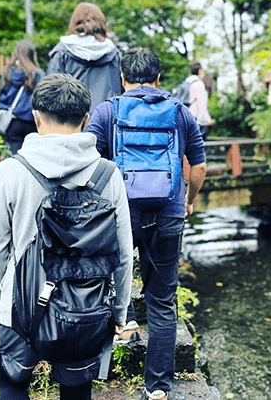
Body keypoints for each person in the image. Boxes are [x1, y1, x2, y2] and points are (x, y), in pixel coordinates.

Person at [0, 74, 133, 400]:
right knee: (76, 394)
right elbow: (121, 254)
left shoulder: (10, 171)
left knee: (13, 387)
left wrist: (5, 298)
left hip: (18, 308)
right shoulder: (108, 174)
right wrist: (119, 313)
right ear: (87, 120)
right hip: (85, 309)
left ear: (36, 117)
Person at [87, 48, 206, 400]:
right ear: (158, 79)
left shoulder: (109, 110)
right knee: (164, 299)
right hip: (168, 213)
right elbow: (198, 168)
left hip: (120, 213)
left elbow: (88, 162)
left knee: (107, 284)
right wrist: (189, 199)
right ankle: (158, 388)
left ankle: (96, 370)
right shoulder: (180, 113)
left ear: (123, 78)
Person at [47, 2, 122, 116]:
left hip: (71, 122)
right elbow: (122, 88)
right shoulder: (113, 52)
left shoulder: (62, 51)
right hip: (107, 120)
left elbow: (50, 92)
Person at [0, 40, 44, 154]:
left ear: (16, 53)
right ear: (32, 54)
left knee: (15, 158)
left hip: (13, 122)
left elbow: (1, 98)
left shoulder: (7, 72)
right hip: (33, 122)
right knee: (32, 158)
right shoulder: (38, 74)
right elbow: (43, 99)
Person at [185, 61, 214, 139]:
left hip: (185, 119)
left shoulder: (186, 83)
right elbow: (202, 105)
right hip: (195, 121)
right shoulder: (199, 84)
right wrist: (208, 119)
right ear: (200, 70)